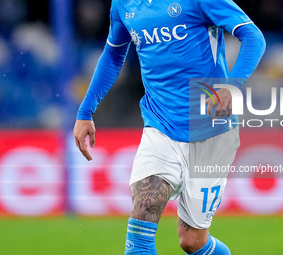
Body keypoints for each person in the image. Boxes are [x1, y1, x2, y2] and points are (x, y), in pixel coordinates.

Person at [73, 0, 265, 254]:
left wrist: (232, 86)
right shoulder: (123, 4)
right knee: (143, 210)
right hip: (160, 127)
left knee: (192, 241)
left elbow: (253, 36)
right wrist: (86, 111)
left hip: (211, 131)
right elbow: (113, 53)